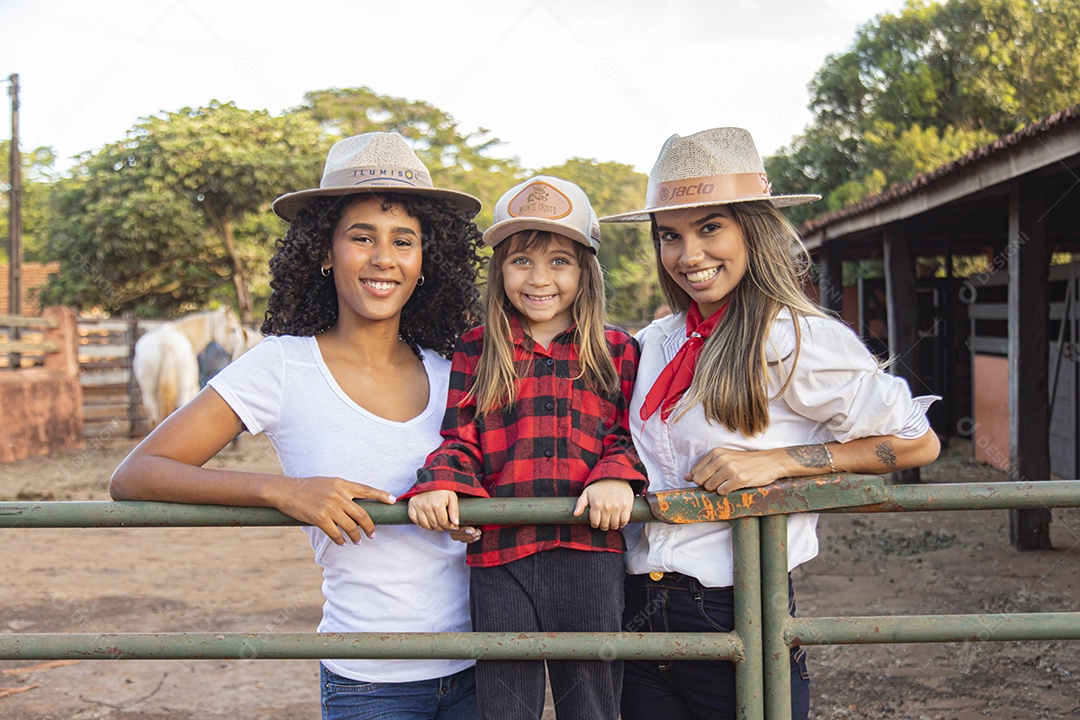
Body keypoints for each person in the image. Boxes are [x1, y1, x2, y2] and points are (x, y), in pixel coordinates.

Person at [110, 132, 485, 720]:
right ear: (324, 251)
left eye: (403, 241)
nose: (383, 257)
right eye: (361, 237)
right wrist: (283, 491)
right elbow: (136, 474)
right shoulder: (282, 365)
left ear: (424, 259)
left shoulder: (457, 368)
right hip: (369, 679)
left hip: (480, 665)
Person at [600, 127, 941, 720]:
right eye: (669, 237)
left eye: (711, 227)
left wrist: (778, 462)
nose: (689, 255)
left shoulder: (796, 337)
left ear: (752, 231)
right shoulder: (655, 342)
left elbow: (918, 441)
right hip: (635, 605)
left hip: (738, 603)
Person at [402, 176, 649, 720]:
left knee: (591, 699)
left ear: (585, 270)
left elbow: (629, 437)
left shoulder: (617, 349)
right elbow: (459, 439)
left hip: (588, 555)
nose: (540, 279)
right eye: (521, 262)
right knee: (505, 701)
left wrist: (614, 475)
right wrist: (442, 480)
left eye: (560, 261)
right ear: (500, 270)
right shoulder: (477, 347)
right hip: (500, 556)